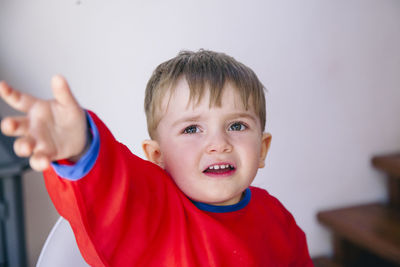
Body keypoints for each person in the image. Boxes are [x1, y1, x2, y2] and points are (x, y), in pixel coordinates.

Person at [0, 50, 313, 266]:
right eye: (192, 128)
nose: (219, 143)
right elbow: (112, 188)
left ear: (262, 148)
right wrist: (77, 147)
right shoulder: (151, 213)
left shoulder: (276, 216)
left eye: (237, 125)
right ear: (157, 155)